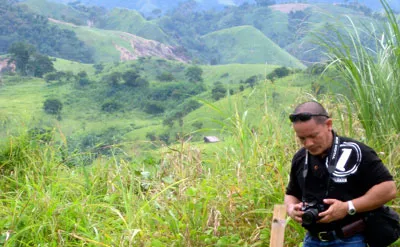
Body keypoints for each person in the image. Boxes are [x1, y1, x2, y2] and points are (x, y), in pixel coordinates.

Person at [284, 101, 397, 247]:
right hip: (312, 240)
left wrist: (348, 207)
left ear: (329, 125)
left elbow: (389, 189)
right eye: (302, 138)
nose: (308, 143)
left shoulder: (357, 152)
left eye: (314, 136)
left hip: (351, 239)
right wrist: (291, 209)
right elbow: (291, 193)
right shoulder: (300, 158)